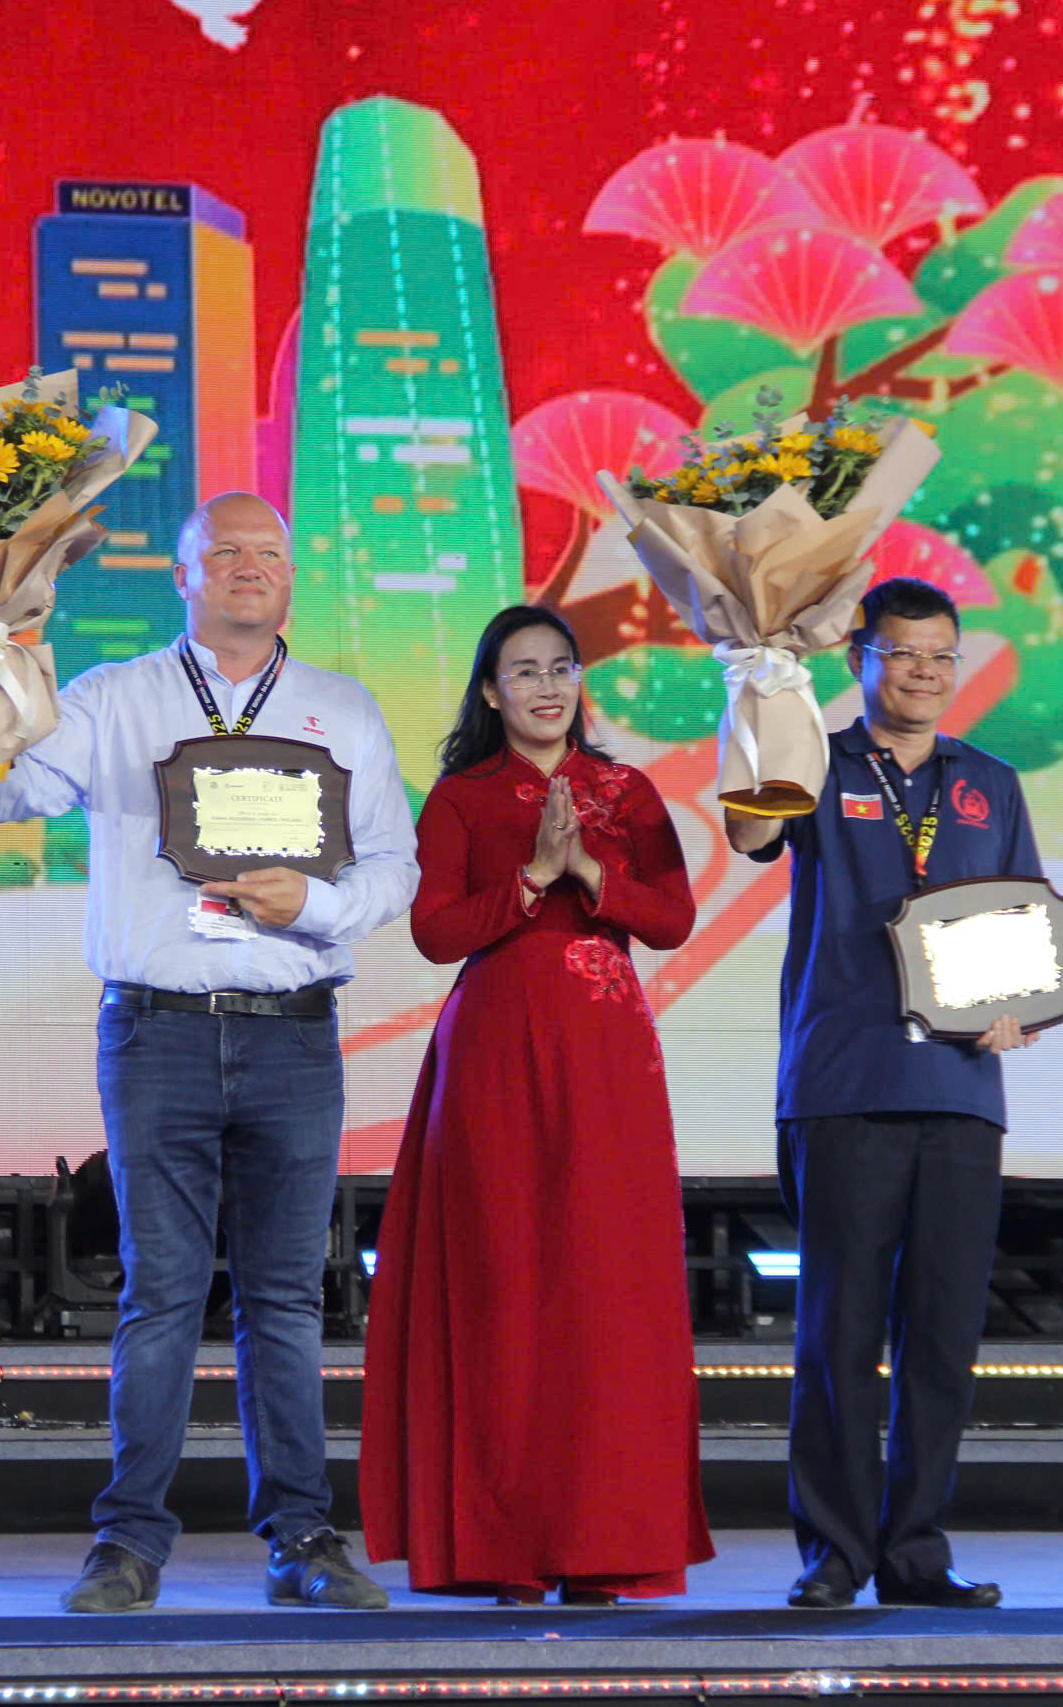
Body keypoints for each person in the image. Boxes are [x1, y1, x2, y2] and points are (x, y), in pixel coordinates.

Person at [0, 492, 419, 1613]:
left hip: (294, 1036)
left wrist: (314, 905)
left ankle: (302, 1538)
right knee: (159, 1296)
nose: (250, 566)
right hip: (157, 1032)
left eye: (268, 552)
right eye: (225, 552)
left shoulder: (342, 708)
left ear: (290, 574)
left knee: (285, 1300)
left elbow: (394, 866)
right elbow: (3, 795)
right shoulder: (115, 698)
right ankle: (127, 1545)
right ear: (182, 576)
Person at [360, 605, 714, 1604]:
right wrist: (530, 882)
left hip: (606, 1056)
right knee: (506, 1284)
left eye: (561, 667)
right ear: (490, 691)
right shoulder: (463, 797)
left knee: (608, 1288)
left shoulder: (626, 791)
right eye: (524, 671)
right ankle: (505, 1547)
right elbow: (435, 934)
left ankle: (605, 1543)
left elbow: (673, 917)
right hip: (496, 1055)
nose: (547, 686)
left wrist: (589, 871)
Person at [722, 575, 1044, 1612]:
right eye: (903, 652)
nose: (924, 672)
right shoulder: (818, 762)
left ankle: (915, 1552)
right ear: (862, 659)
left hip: (960, 1090)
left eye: (942, 655)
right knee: (839, 1335)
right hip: (843, 1082)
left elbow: (1023, 931)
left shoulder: (990, 781)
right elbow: (750, 840)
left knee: (941, 1339)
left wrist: (1018, 1010)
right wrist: (760, 688)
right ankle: (834, 1552)